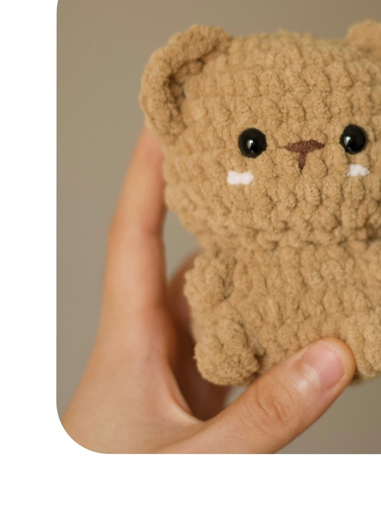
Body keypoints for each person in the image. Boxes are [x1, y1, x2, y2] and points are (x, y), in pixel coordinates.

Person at [62, 128, 357, 453]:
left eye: (352, 141)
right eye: (252, 145)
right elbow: (208, 288)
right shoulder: (224, 264)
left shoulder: (355, 256)